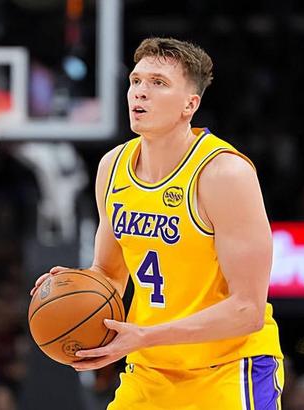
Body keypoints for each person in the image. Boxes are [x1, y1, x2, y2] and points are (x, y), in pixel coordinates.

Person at [31, 37, 283, 409]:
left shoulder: (224, 174)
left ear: (190, 105)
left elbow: (247, 310)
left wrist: (145, 336)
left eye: (158, 83)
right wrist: (72, 286)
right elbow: (109, 274)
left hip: (228, 369)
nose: (140, 92)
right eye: (136, 80)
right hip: (150, 371)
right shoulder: (112, 168)